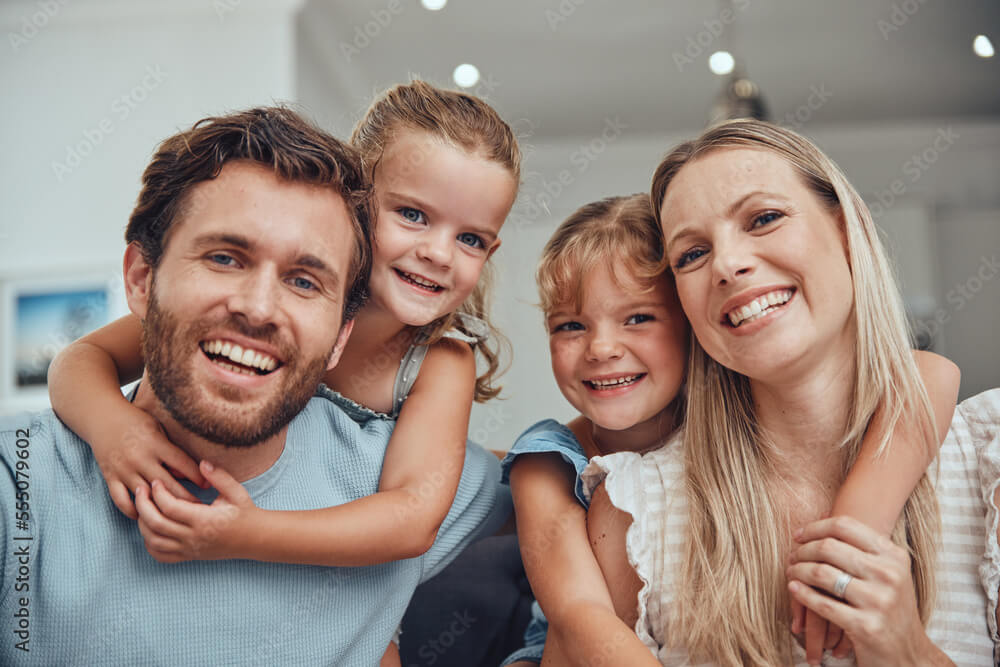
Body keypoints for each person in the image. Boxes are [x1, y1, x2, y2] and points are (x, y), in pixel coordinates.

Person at [0, 106, 500, 666]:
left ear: (341, 331)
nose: (437, 252)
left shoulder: (437, 365)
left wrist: (248, 532)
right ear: (142, 278)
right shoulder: (23, 482)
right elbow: (79, 359)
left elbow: (424, 512)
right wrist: (113, 429)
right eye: (224, 258)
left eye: (304, 281)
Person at [583, 119, 999, 665]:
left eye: (764, 219)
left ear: (847, 231)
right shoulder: (635, 510)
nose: (727, 265)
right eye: (692, 254)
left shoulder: (987, 464)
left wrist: (909, 653)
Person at [500, 194, 960, 666]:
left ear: (693, 326)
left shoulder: (731, 411)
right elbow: (579, 616)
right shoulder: (546, 460)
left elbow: (932, 372)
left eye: (638, 318)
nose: (601, 348)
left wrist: (854, 528)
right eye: (570, 326)